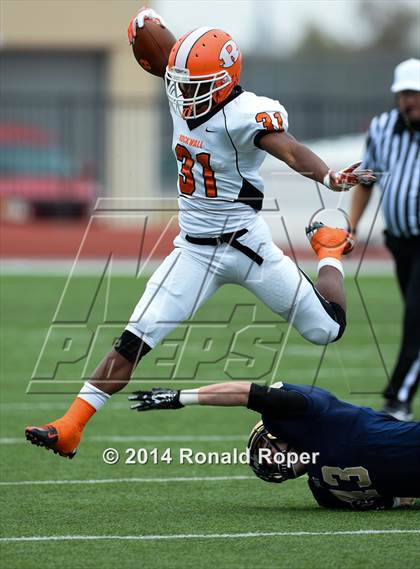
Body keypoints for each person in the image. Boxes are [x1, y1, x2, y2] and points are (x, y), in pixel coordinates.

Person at [25, 8, 374, 459]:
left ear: (226, 81)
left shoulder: (248, 115)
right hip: (191, 251)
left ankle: (328, 250)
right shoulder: (185, 84)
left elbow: (289, 150)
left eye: (196, 87)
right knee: (135, 335)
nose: (185, 95)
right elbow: (165, 49)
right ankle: (71, 425)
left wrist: (327, 176)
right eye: (181, 85)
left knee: (327, 330)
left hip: (247, 248)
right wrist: (143, 23)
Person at [129, 381, 420, 510]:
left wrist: (181, 397)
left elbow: (248, 393)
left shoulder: (312, 416)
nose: (268, 461)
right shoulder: (325, 493)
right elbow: (395, 500)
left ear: (276, 434)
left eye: (264, 451)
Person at [350, 59, 420, 422]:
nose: (408, 101)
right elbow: (366, 180)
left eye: (414, 93)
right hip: (401, 242)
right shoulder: (382, 128)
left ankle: (397, 401)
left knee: (416, 319)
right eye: (403, 94)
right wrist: (352, 226)